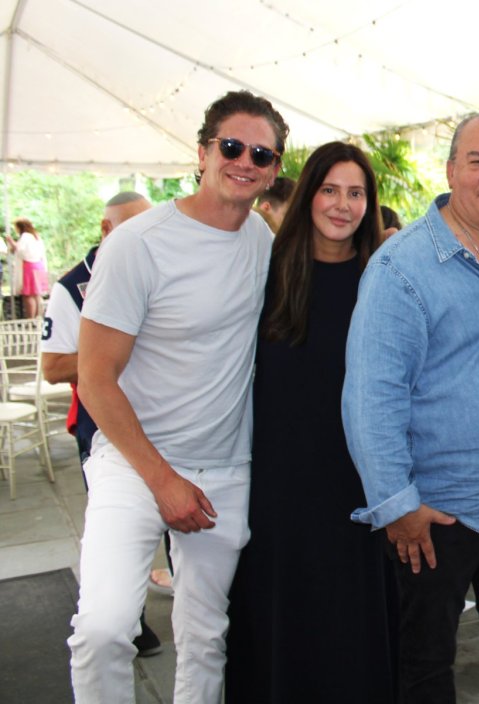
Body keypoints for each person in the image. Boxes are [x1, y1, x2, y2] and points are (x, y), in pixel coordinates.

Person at [67, 90, 287, 704]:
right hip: (133, 465)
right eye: (232, 146)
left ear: (273, 169)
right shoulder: (137, 243)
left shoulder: (262, 245)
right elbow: (95, 378)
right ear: (202, 151)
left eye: (262, 153)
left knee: (206, 636)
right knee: (105, 628)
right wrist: (162, 479)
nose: (245, 161)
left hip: (225, 469)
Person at [342, 111, 479, 703]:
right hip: (437, 515)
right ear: (450, 171)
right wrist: (396, 505)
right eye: (478, 161)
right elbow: (370, 396)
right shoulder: (400, 268)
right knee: (427, 665)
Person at [224, 141, 393, 702]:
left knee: (351, 631)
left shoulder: (384, 281)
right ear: (307, 195)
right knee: (281, 623)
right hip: (279, 487)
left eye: (356, 193)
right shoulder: (265, 272)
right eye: (329, 190)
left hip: (358, 485)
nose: (342, 205)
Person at [42, 191, 164, 656]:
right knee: (117, 534)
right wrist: (109, 351)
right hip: (104, 430)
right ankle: (127, 621)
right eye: (133, 227)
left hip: (164, 423)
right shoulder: (71, 286)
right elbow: (53, 366)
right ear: (107, 230)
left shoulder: (161, 268)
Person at [6, 218, 50, 318]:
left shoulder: (25, 237)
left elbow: (21, 251)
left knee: (28, 294)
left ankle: (30, 318)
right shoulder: (36, 237)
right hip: (39, 265)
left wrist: (12, 243)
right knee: (36, 294)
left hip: (29, 266)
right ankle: (37, 317)